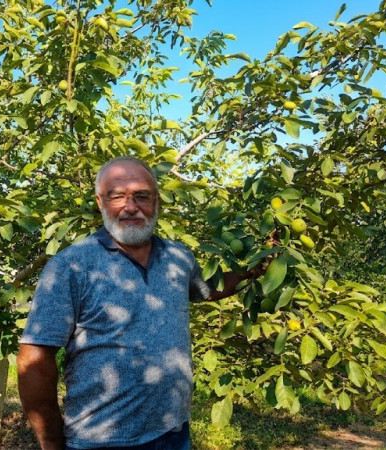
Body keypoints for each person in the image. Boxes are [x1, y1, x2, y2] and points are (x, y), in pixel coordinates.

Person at [17, 156, 262, 450]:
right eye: (117, 196)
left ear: (157, 201)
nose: (130, 207)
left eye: (142, 196)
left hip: (173, 431)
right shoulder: (72, 266)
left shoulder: (178, 257)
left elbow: (208, 290)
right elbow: (34, 359)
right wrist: (51, 443)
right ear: (100, 202)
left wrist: (255, 269)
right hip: (101, 441)